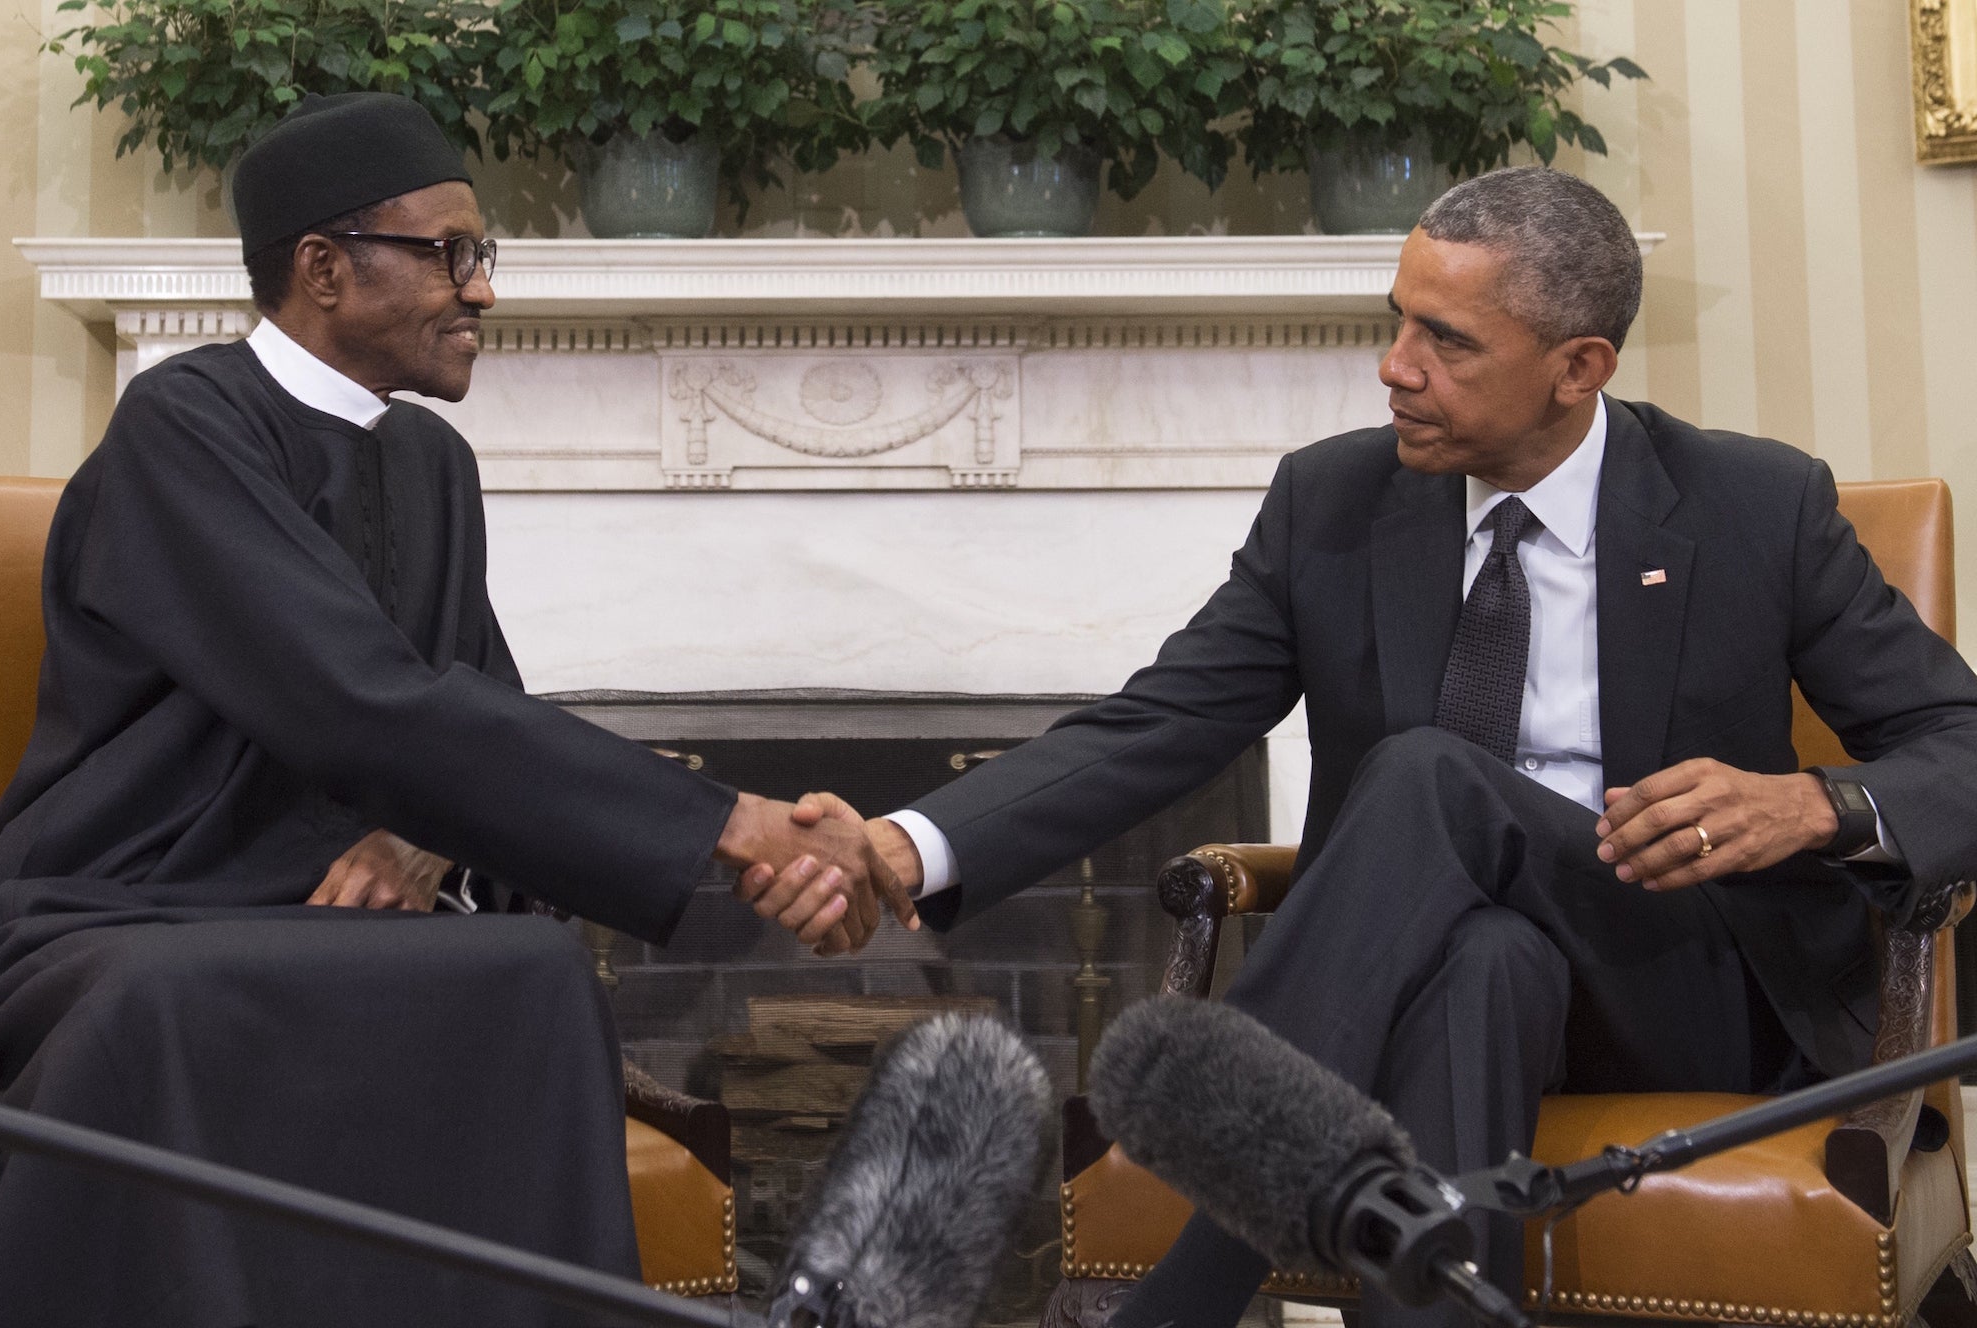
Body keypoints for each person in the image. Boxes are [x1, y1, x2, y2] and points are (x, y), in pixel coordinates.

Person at [773, 167, 1977, 1328]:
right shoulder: (1332, 502)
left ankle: (1190, 1267)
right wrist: (902, 840)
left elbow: (1958, 740)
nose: (1394, 367)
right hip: (1453, 971)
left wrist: (1818, 807)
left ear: (1578, 368)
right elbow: (1161, 720)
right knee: (1483, 962)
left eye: (1447, 341)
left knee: (1422, 772)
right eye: (1394, 321)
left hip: (1682, 976)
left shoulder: (1749, 506)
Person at [0, 92, 911, 1327]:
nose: (481, 292)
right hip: (129, 897)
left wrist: (432, 832)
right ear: (321, 267)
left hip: (334, 922)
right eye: (450, 254)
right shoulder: (183, 423)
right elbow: (354, 699)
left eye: (482, 259)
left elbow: (472, 710)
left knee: (530, 968)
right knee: (165, 998)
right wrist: (732, 824)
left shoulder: (430, 462)